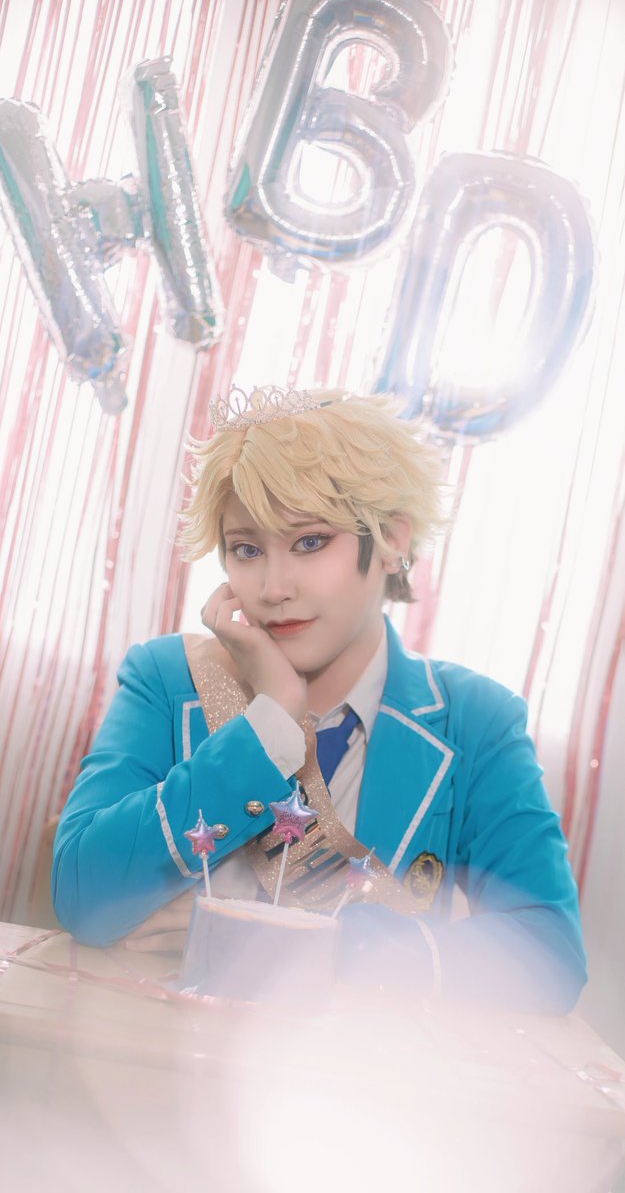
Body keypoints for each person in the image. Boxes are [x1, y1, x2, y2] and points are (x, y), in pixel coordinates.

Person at [52, 386, 587, 1012]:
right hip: (153, 1054)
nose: (274, 587)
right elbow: (83, 898)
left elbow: (550, 955)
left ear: (392, 539)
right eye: (248, 549)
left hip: (357, 1069)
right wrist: (268, 725)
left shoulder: (475, 720)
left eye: (309, 542)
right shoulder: (168, 679)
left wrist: (284, 941)